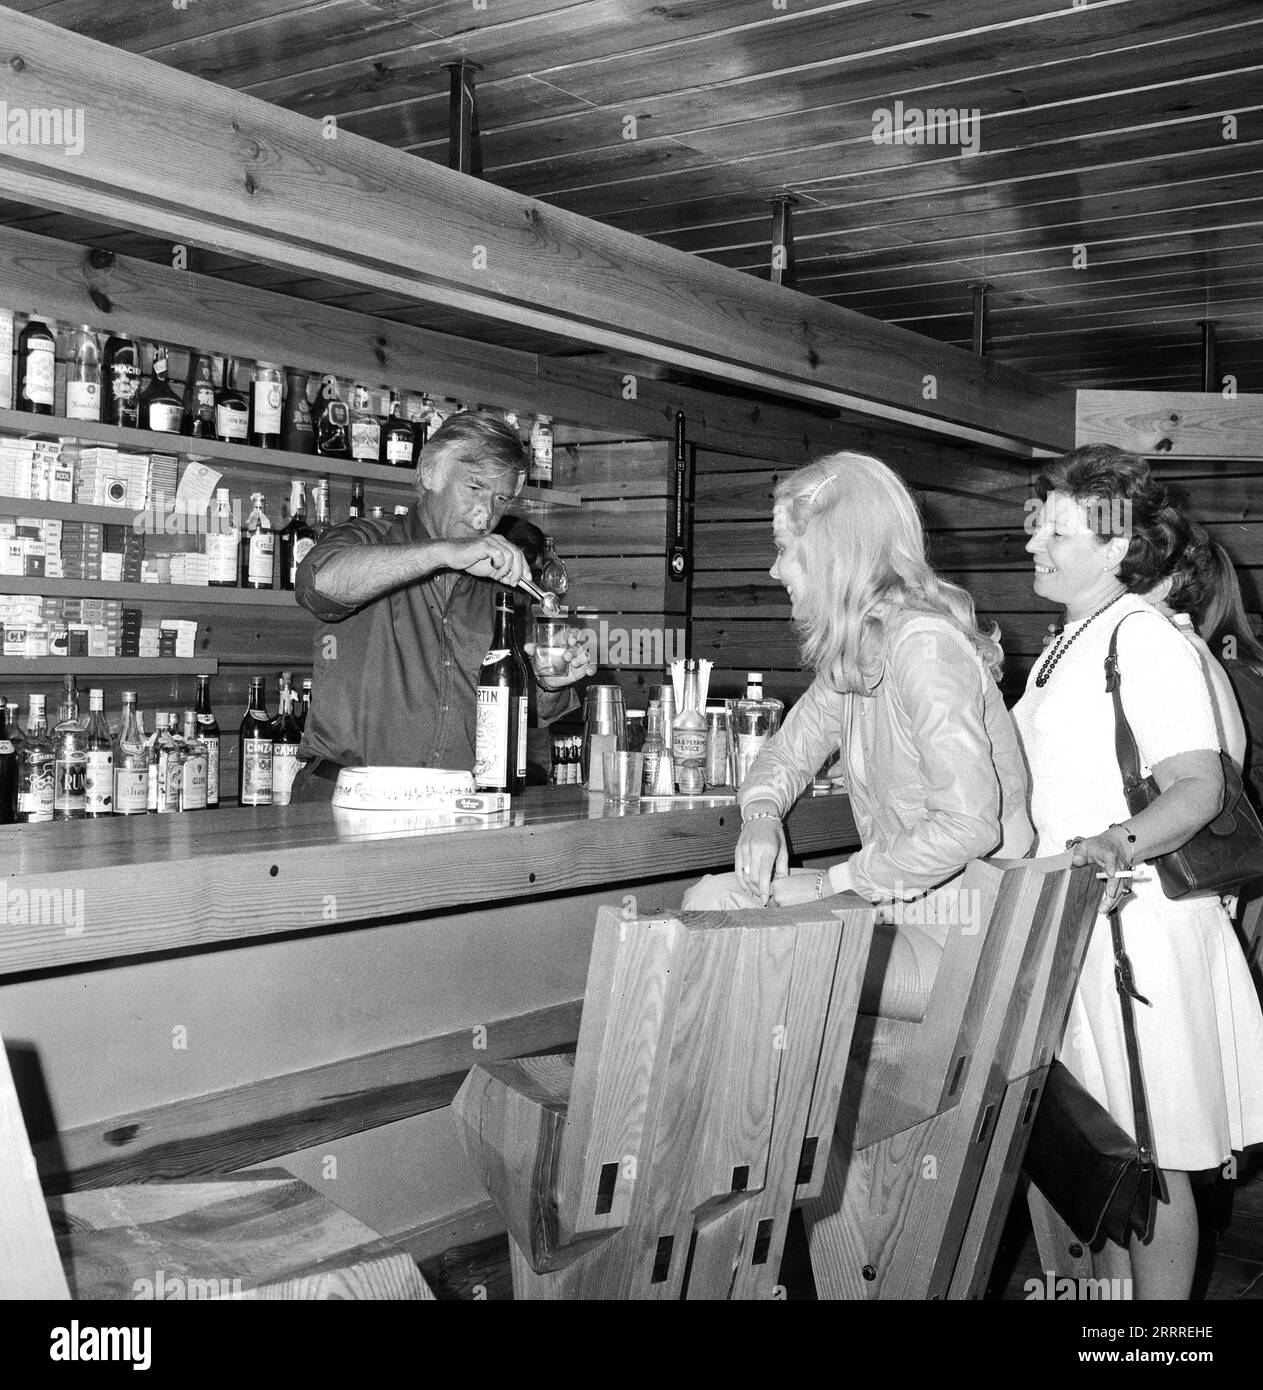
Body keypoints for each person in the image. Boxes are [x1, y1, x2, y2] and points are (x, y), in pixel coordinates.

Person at [1015, 443, 1263, 1299]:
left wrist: (1112, 845)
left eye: (1055, 529)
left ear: (1118, 546)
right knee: (1108, 1165)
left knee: (1152, 1167)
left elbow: (1196, 788)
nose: (1032, 543)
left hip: (1137, 938)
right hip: (1079, 931)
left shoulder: (1144, 637)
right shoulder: (1069, 644)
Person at [682, 453, 1033, 1017]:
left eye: (782, 548)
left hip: (965, 950)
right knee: (712, 903)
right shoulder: (860, 652)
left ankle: (759, 1104)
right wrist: (762, 817)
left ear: (831, 551)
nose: (775, 573)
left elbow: (969, 825)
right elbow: (784, 756)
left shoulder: (924, 646)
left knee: (722, 929)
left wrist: (832, 885)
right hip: (910, 916)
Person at [291, 411, 593, 799]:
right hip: (347, 798)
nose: (486, 515)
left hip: (458, 803)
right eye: (474, 488)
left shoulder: (498, 585)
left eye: (501, 499)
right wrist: (445, 553)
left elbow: (515, 709)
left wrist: (548, 683)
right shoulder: (368, 539)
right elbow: (316, 584)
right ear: (431, 473)